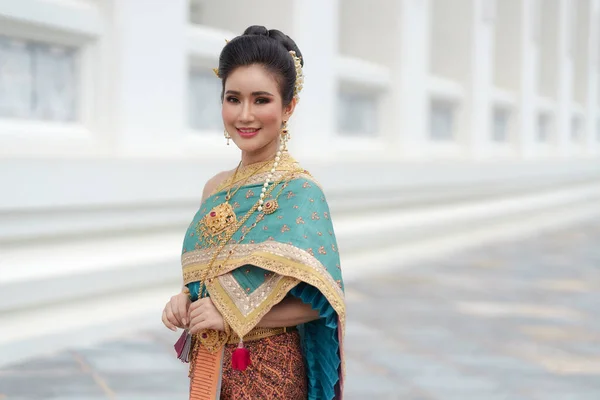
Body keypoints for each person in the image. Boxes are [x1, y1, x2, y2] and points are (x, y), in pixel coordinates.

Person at [161, 25, 345, 400]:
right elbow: (209, 273)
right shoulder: (215, 188)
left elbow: (323, 302)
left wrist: (230, 314)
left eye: (261, 100)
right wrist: (184, 299)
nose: (245, 115)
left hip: (270, 370)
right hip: (212, 363)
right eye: (233, 98)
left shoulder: (300, 192)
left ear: (288, 106)